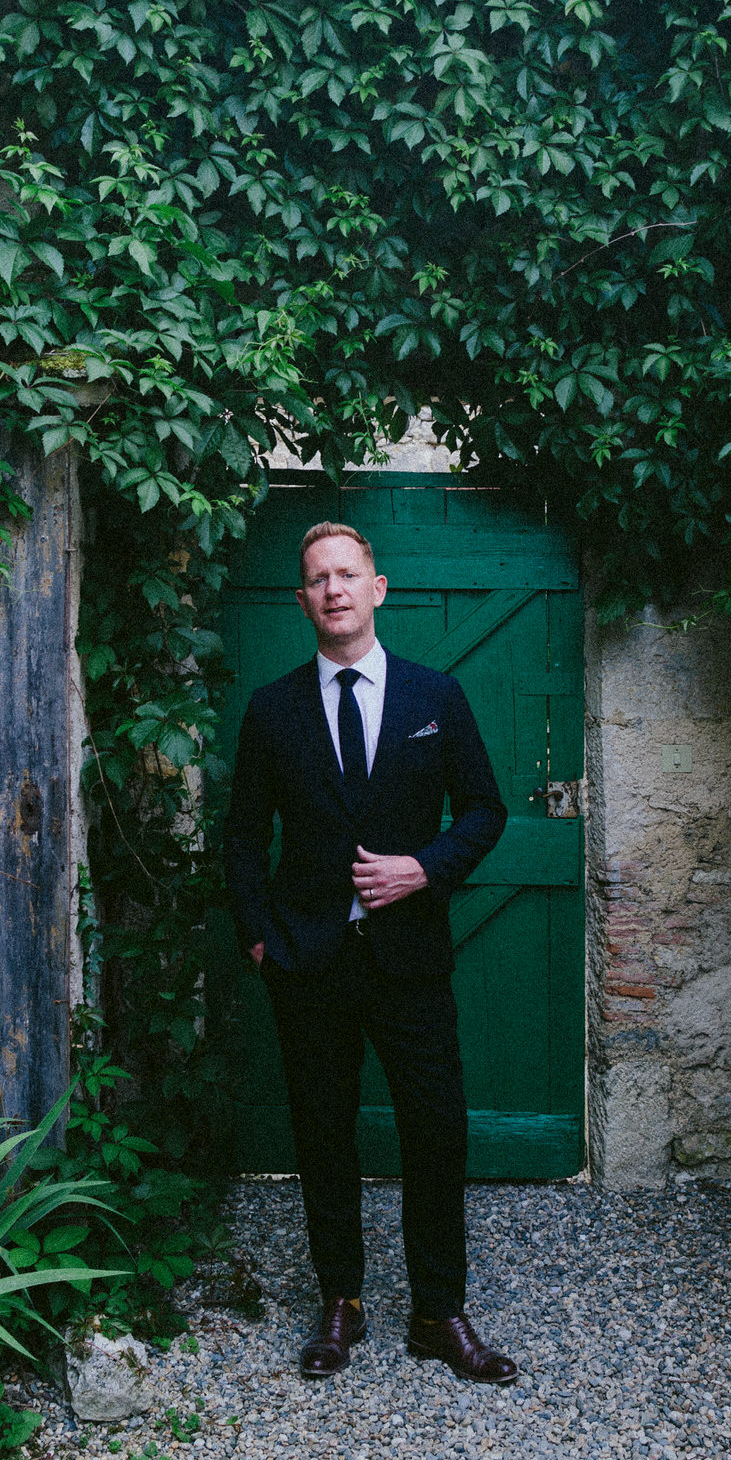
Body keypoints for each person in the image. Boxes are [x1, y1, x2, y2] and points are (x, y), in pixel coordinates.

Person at [223, 520, 519, 1384]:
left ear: (377, 589)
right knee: (323, 1133)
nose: (335, 590)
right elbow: (242, 837)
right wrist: (257, 938)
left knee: (437, 1129)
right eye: (318, 579)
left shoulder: (437, 697)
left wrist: (424, 868)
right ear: (302, 601)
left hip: (410, 961)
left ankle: (438, 1312)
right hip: (307, 961)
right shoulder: (272, 709)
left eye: (348, 574)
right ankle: (340, 1304)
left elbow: (485, 811)